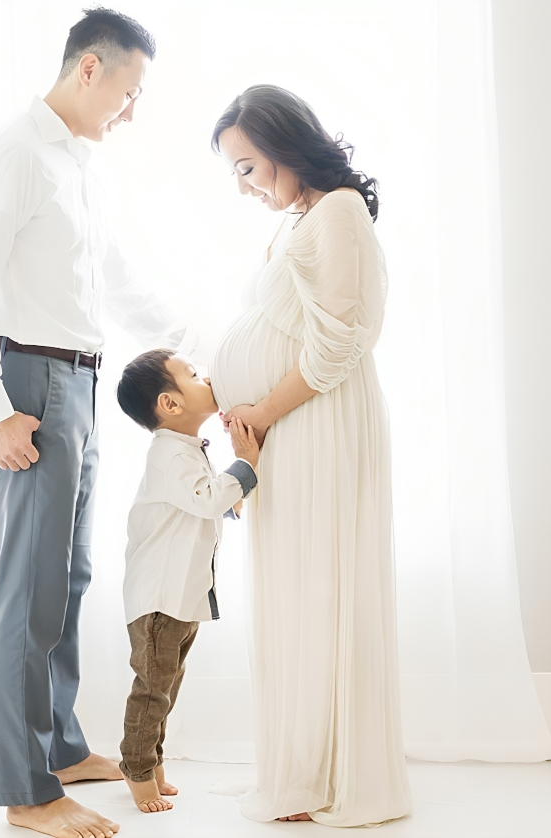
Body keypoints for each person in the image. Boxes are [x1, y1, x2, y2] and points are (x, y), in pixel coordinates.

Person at [0, 9, 195, 838]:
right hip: (27, 385)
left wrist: (192, 341)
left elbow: (113, 281)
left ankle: (60, 746)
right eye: (129, 91)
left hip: (80, 384)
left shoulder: (78, 166)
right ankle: (27, 793)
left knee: (71, 579)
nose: (132, 111)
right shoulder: (13, 155)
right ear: (90, 70)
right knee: (29, 591)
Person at [209, 85, 413, 827]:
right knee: (299, 587)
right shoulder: (313, 215)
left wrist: (260, 410)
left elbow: (339, 344)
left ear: (286, 148)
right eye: (237, 173)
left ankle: (330, 774)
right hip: (293, 429)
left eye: (250, 168)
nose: (247, 186)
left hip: (318, 423)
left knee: (322, 586)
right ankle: (301, 768)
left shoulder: (340, 212)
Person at [115, 350, 259, 813]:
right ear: (170, 404)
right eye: (193, 375)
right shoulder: (168, 456)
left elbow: (209, 505)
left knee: (167, 685)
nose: (207, 377)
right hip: (160, 598)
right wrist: (246, 464)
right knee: (153, 688)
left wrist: (233, 495)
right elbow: (205, 499)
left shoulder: (186, 451)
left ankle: (152, 760)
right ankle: (137, 770)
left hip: (180, 596)